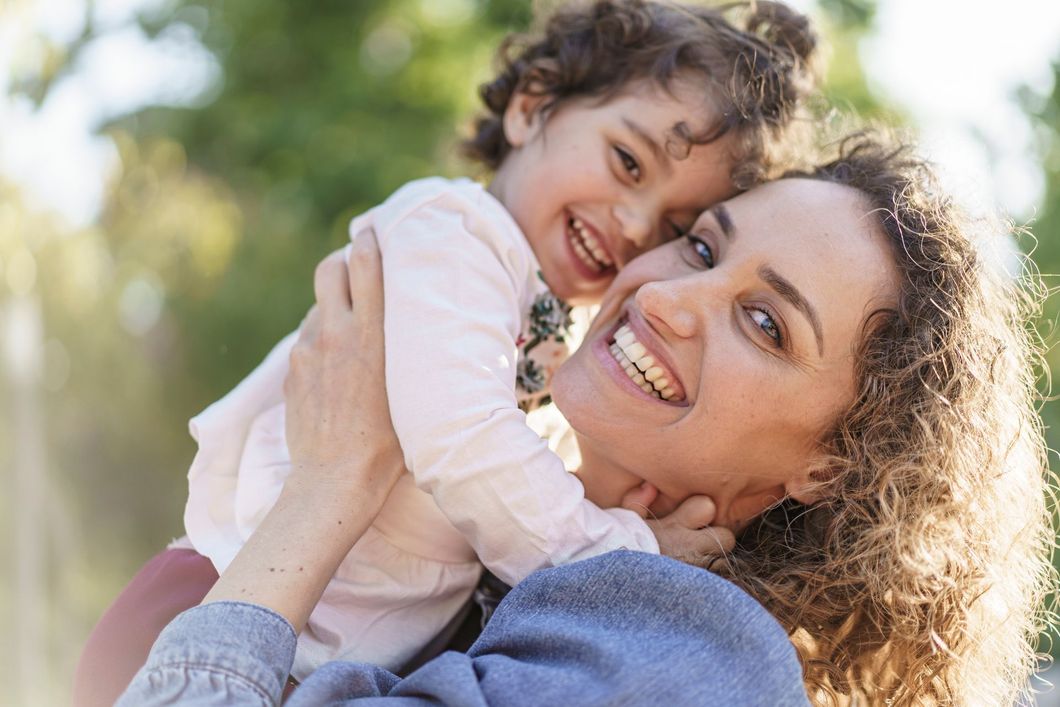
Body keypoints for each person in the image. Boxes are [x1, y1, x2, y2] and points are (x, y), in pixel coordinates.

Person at [119, 134, 1054, 704]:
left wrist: (328, 487)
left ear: (834, 466)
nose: (670, 299)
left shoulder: (700, 663)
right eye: (698, 245)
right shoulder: (537, 565)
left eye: (764, 323)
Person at [75, 0, 820, 699]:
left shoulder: (547, 316)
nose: (632, 223)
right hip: (214, 607)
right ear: (533, 106)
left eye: (672, 225)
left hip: (310, 650)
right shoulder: (455, 234)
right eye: (628, 162)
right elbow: (461, 442)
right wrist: (627, 551)